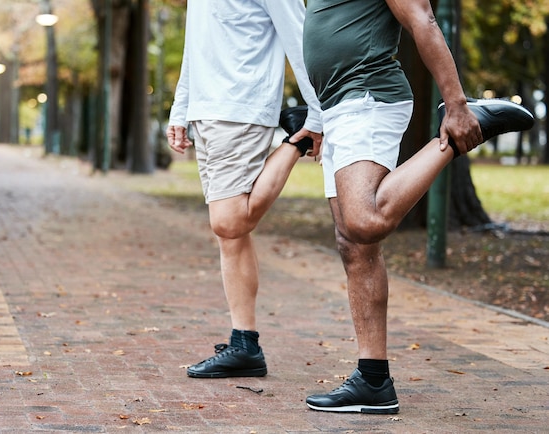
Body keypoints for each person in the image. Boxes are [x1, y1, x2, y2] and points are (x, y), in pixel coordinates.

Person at [302, 0, 534, 414]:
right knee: (353, 245)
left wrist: (457, 104)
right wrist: (317, 117)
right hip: (338, 104)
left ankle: (461, 130)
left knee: (365, 222)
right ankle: (373, 381)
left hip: (367, 95)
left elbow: (421, 16)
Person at [167, 1, 323, 378]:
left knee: (228, 222)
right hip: (208, 111)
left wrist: (317, 113)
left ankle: (295, 141)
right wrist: (180, 108)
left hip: (239, 107)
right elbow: (196, 45)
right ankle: (244, 345)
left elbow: (301, 39)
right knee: (231, 236)